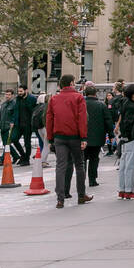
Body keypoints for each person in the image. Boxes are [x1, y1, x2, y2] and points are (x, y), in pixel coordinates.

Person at [46, 75, 90, 209]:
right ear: (71, 83)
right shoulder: (78, 97)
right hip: (75, 136)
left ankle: (60, 198)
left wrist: (50, 138)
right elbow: (82, 118)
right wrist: (83, 137)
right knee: (79, 165)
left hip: (59, 136)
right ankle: (81, 195)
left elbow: (49, 119)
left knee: (60, 166)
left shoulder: (54, 99)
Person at [118, 83, 134, 200]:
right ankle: (129, 190)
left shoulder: (125, 103)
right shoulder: (133, 107)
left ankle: (122, 189)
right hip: (131, 138)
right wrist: (133, 135)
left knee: (124, 165)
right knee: (131, 165)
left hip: (125, 137)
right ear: (133, 95)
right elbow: (129, 122)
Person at [83, 83, 109, 188]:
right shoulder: (101, 105)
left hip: (83, 136)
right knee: (94, 159)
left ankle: (81, 179)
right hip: (97, 136)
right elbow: (107, 120)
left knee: (83, 159)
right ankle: (92, 180)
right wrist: (110, 133)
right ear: (95, 93)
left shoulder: (81, 104)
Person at [13, 87, 36, 166]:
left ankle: (27, 159)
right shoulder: (18, 99)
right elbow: (16, 110)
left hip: (28, 125)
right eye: (18, 91)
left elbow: (34, 111)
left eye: (21, 91)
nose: (19, 93)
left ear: (26, 90)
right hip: (19, 124)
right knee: (14, 139)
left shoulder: (32, 99)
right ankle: (23, 155)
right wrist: (14, 121)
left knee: (27, 143)